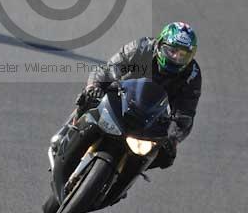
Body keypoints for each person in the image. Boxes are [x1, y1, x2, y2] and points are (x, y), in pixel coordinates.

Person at [51, 22, 201, 169]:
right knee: (89, 97)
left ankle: (122, 182)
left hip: (151, 116)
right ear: (161, 44)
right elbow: (109, 68)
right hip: (120, 96)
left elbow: (185, 114)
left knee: (165, 156)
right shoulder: (143, 47)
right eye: (172, 51)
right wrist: (94, 86)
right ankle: (68, 130)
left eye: (183, 55)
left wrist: (173, 138)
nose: (175, 58)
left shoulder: (192, 74)